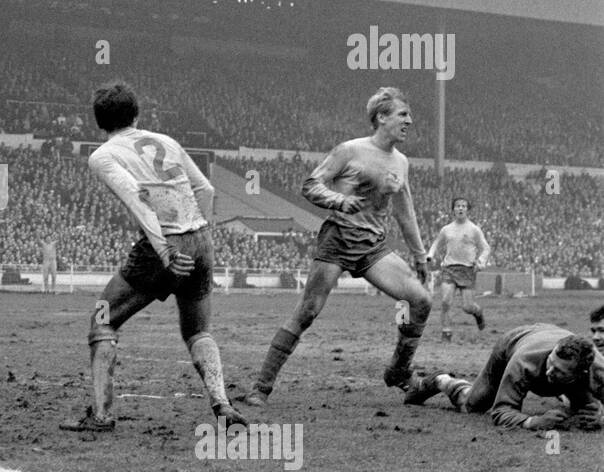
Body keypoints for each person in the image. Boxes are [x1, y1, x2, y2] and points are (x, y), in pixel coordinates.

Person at [60, 82, 247, 432]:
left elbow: (137, 198)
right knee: (197, 330)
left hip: (163, 243)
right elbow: (205, 189)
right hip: (200, 238)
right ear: (137, 114)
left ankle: (101, 416)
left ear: (99, 122)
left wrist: (165, 250)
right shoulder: (168, 142)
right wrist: (198, 236)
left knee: (102, 319)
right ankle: (222, 403)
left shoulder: (104, 155)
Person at [238, 87, 431, 406]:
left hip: (373, 248)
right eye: (403, 115)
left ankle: (398, 371)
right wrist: (341, 201)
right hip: (338, 241)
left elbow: (404, 211)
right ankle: (261, 387)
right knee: (307, 312)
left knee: (421, 300)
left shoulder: (401, 162)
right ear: (381, 117)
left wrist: (420, 254)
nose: (409, 120)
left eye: (409, 115)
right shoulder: (350, 150)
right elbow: (310, 185)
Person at [403, 324, 602, 431]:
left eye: (559, 371)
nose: (550, 371)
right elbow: (501, 412)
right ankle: (441, 380)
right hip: (513, 342)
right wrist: (533, 421)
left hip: (563, 359)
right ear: (553, 351)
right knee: (472, 404)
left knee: (586, 407)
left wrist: (599, 415)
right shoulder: (524, 363)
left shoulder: (598, 370)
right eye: (551, 363)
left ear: (582, 372)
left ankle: (576, 400)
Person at [426, 197, 491, 340]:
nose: (460, 208)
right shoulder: (446, 229)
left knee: (467, 307)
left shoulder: (474, 229)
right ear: (453, 210)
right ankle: (446, 332)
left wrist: (481, 262)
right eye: (457, 206)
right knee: (445, 301)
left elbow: (486, 248)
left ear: (467, 210)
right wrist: (430, 255)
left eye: (463, 206)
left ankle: (478, 313)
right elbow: (436, 244)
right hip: (449, 268)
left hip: (467, 270)